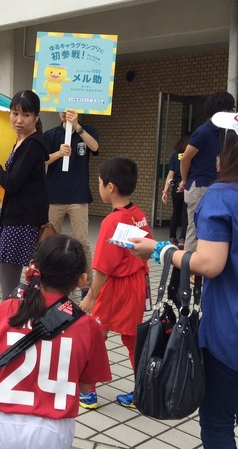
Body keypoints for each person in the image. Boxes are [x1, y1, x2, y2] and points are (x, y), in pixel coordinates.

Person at [130, 104, 238, 449]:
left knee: (219, 421)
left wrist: (158, 250)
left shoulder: (224, 196)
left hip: (235, 337)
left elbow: (209, 263)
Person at [0, 234, 112, 449]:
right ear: (82, 279)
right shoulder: (87, 326)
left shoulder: (9, 309)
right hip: (53, 430)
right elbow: (87, 384)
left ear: (34, 270)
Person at [78, 157, 152, 410]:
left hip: (115, 287)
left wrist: (90, 297)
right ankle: (143, 391)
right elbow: (145, 251)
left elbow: (104, 268)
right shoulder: (138, 214)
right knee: (133, 341)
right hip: (137, 284)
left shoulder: (112, 221)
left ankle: (87, 393)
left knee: (95, 336)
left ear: (110, 187)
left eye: (99, 182)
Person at [0, 90, 49, 300]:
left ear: (36, 117)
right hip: (20, 220)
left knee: (9, 285)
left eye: (26, 115)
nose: (19, 120)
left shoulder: (32, 146)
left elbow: (11, 183)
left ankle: (11, 323)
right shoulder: (24, 142)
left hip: (21, 222)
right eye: (14, 113)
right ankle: (16, 321)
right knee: (12, 282)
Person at [43, 109, 99, 293]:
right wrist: (58, 154)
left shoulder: (86, 131)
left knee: (82, 241)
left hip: (78, 196)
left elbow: (95, 147)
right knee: (50, 241)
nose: (65, 113)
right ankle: (49, 281)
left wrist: (77, 127)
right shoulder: (51, 135)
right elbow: (41, 161)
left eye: (69, 111)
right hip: (54, 196)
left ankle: (88, 284)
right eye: (62, 110)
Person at [179, 91, 235, 251]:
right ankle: (188, 272)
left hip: (210, 186)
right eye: (229, 109)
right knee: (195, 229)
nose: (231, 113)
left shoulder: (220, 132)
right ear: (221, 111)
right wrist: (185, 180)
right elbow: (185, 158)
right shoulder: (204, 131)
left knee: (207, 229)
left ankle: (198, 268)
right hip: (199, 186)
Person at [162, 132, 190, 247]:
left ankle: (172, 237)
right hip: (187, 186)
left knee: (176, 212)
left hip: (175, 187)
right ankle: (183, 238)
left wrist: (165, 191)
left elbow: (170, 175)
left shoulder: (175, 156)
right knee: (185, 214)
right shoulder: (191, 156)